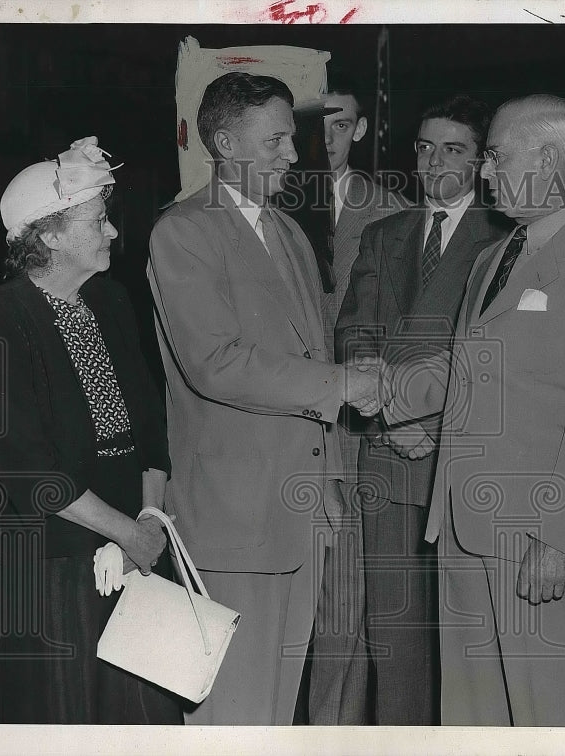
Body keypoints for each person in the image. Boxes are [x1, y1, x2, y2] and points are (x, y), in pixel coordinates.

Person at [370, 94, 565, 726]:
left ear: (550, 159)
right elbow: (472, 369)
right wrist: (382, 393)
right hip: (461, 528)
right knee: (471, 723)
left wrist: (559, 540)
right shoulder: (490, 260)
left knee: (547, 719)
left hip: (533, 537)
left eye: (496, 155)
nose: (485, 171)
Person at [146, 72, 387, 725]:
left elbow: (312, 351)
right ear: (225, 143)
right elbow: (215, 363)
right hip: (231, 525)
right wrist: (343, 385)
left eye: (292, 137)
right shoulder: (184, 232)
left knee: (276, 719)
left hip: (301, 517)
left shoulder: (289, 233)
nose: (292, 153)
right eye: (275, 139)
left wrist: (331, 479)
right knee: (230, 717)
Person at [0, 137, 181, 724]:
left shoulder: (111, 299)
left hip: (134, 536)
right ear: (49, 235)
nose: (112, 232)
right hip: (55, 559)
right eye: (98, 219)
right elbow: (29, 468)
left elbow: (151, 427)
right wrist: (124, 535)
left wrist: (147, 522)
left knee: (143, 714)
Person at [335, 94, 509, 725]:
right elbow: (352, 335)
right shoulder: (385, 234)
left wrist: (432, 423)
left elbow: (500, 359)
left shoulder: (506, 236)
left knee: (464, 647)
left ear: (483, 159)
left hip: (458, 467)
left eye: (453, 149)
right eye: (424, 146)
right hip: (385, 461)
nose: (433, 161)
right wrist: (390, 415)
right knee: (395, 645)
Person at [302, 81, 409, 726]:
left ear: (361, 130)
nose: (324, 141)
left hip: (357, 432)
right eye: (310, 128)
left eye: (337, 125)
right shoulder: (269, 204)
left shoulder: (396, 213)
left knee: (350, 606)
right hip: (286, 425)